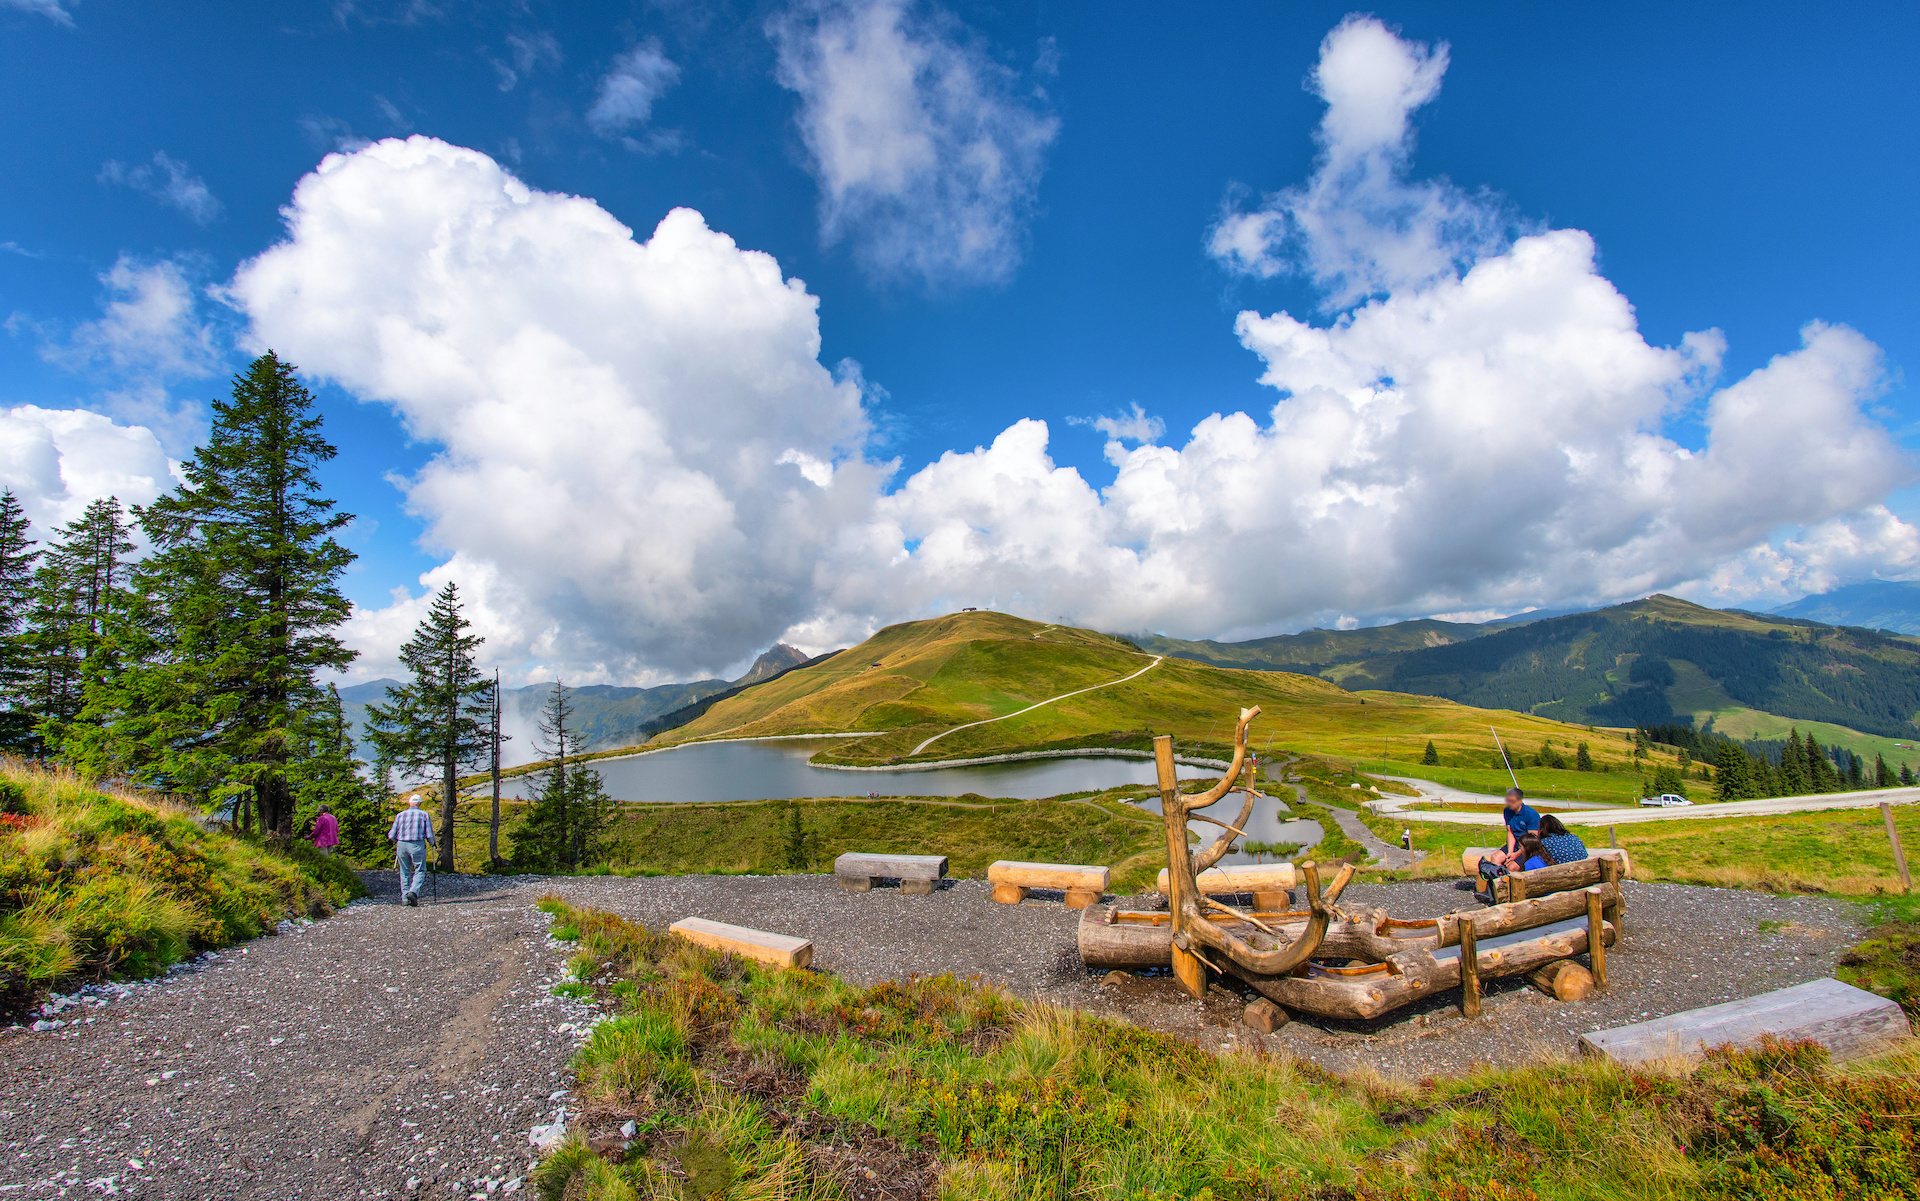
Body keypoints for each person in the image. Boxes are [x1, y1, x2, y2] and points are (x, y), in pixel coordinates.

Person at [387, 795, 437, 907]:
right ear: (419, 803)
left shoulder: (400, 815)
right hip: (417, 844)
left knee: (404, 871)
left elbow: (391, 835)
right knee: (420, 869)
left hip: (402, 844)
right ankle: (413, 892)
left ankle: (405, 897)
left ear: (409, 803)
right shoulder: (424, 815)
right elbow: (429, 833)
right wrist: (432, 843)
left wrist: (397, 841)